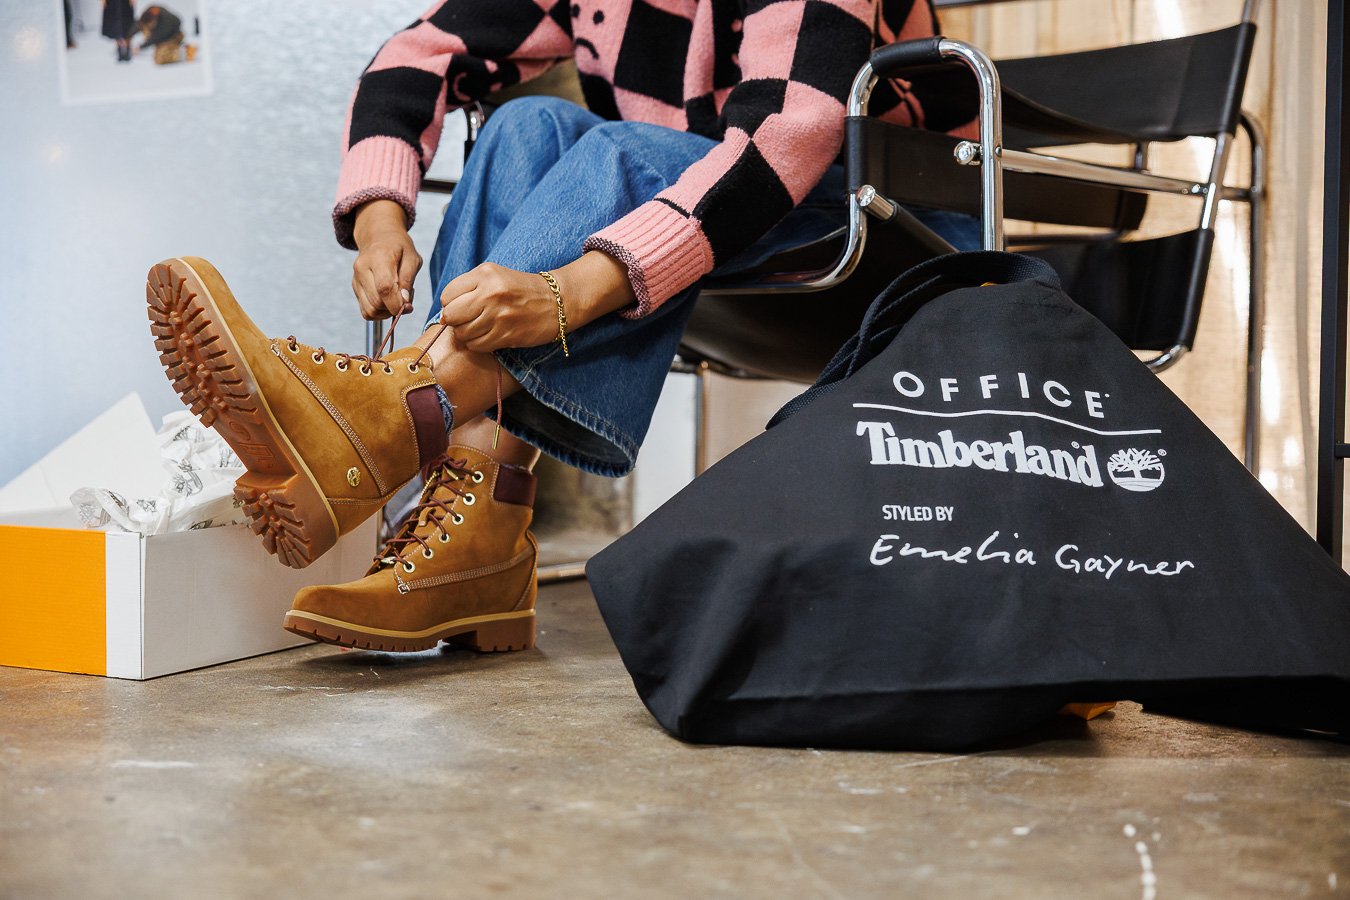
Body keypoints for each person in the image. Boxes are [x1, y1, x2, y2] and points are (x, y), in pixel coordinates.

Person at [147, 0, 979, 655]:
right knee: (524, 127)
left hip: (886, 215)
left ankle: (399, 415)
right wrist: (377, 216)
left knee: (624, 152)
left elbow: (789, 132)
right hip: (698, 220)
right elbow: (419, 53)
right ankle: (473, 515)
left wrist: (574, 291)